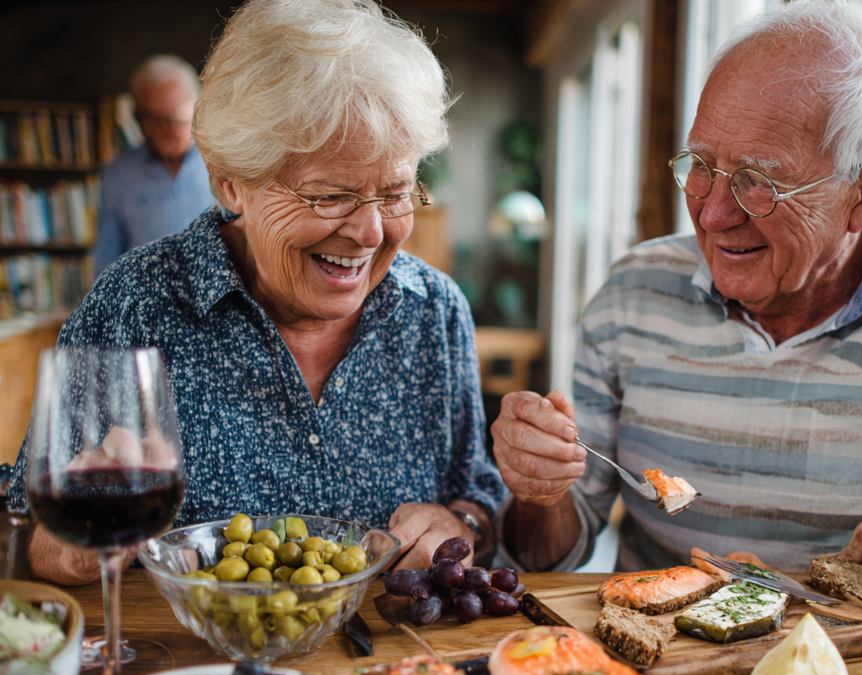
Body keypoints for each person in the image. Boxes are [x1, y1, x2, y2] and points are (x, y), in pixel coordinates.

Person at [493, 0, 862, 584]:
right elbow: (550, 556)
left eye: (759, 181)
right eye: (702, 163)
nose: (714, 215)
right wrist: (539, 494)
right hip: (661, 656)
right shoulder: (633, 295)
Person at [8, 0, 504, 585]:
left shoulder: (435, 311)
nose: (371, 233)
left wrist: (462, 522)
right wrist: (68, 549)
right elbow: (21, 536)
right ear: (230, 183)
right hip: (194, 670)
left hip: (396, 670)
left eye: (395, 193)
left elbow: (476, 497)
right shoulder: (132, 304)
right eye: (330, 195)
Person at [92, 55, 216, 273]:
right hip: (147, 302)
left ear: (198, 109)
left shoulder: (226, 164)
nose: (165, 129)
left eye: (175, 117)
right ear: (138, 117)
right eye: (153, 119)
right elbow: (107, 255)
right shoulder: (118, 175)